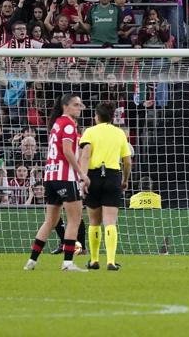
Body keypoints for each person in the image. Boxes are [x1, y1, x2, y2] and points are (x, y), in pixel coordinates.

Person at [25, 93, 89, 272]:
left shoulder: (56, 124)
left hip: (50, 177)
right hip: (65, 177)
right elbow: (67, 151)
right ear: (65, 107)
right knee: (74, 219)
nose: (79, 107)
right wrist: (81, 173)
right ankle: (68, 262)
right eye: (76, 104)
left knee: (50, 221)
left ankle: (32, 261)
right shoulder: (68, 124)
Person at [79, 103, 133, 270]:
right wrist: (125, 179)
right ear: (112, 117)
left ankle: (94, 260)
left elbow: (85, 155)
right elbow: (128, 161)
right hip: (112, 176)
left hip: (93, 176)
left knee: (94, 221)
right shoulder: (120, 133)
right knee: (110, 221)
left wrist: (83, 178)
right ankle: (110, 261)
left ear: (96, 116)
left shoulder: (89, 131)